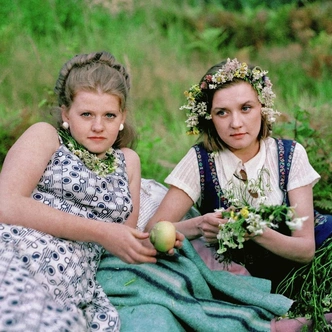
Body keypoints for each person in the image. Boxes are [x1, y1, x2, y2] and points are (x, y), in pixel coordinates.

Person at [0, 51, 158, 332]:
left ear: (122, 116)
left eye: (109, 115)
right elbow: (6, 204)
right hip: (17, 252)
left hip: (71, 283)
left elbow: (125, 239)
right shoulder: (46, 137)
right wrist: (100, 232)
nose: (98, 126)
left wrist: (185, 230)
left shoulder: (128, 162)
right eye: (86, 114)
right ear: (66, 113)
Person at [145, 58, 332, 293]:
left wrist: (253, 232)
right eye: (222, 112)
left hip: (311, 266)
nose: (236, 123)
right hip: (242, 279)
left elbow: (305, 250)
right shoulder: (201, 160)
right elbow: (154, 230)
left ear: (262, 108)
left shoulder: (289, 155)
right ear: (209, 118)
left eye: (246, 108)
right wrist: (200, 225)